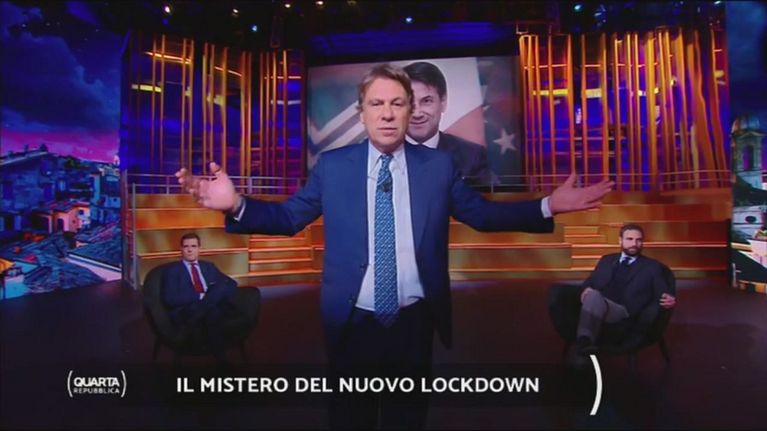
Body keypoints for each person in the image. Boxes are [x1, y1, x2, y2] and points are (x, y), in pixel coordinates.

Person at [176, 64, 613, 429]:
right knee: (351, 418)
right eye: (376, 104)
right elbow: (289, 218)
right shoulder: (333, 166)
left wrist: (547, 205)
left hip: (413, 323)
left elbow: (482, 215)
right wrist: (237, 204)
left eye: (398, 104)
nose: (387, 114)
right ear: (362, 113)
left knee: (407, 418)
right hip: (352, 322)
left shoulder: (439, 165)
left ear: (410, 111)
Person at [575, 223, 677, 357]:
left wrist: (670, 298)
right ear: (620, 241)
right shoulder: (607, 260)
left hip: (623, 310)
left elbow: (663, 292)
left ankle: (583, 343)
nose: (634, 244)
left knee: (593, 297)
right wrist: (586, 288)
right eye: (629, 239)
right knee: (593, 296)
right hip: (599, 301)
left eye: (638, 240)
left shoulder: (652, 267)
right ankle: (585, 347)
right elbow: (591, 280)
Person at [403, 61, 500, 187]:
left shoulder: (472, 155)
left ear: (443, 102)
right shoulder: (382, 154)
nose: (417, 113)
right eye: (409, 102)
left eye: (426, 101)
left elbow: (490, 197)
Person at [161, 232, 239, 356]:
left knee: (224, 288)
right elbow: (170, 299)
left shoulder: (209, 266)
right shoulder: (172, 271)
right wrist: (199, 296)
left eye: (193, 246)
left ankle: (204, 309)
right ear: (181, 249)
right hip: (188, 308)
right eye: (186, 247)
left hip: (202, 310)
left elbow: (230, 283)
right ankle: (220, 358)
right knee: (215, 309)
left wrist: (209, 298)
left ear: (199, 249)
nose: (190, 250)